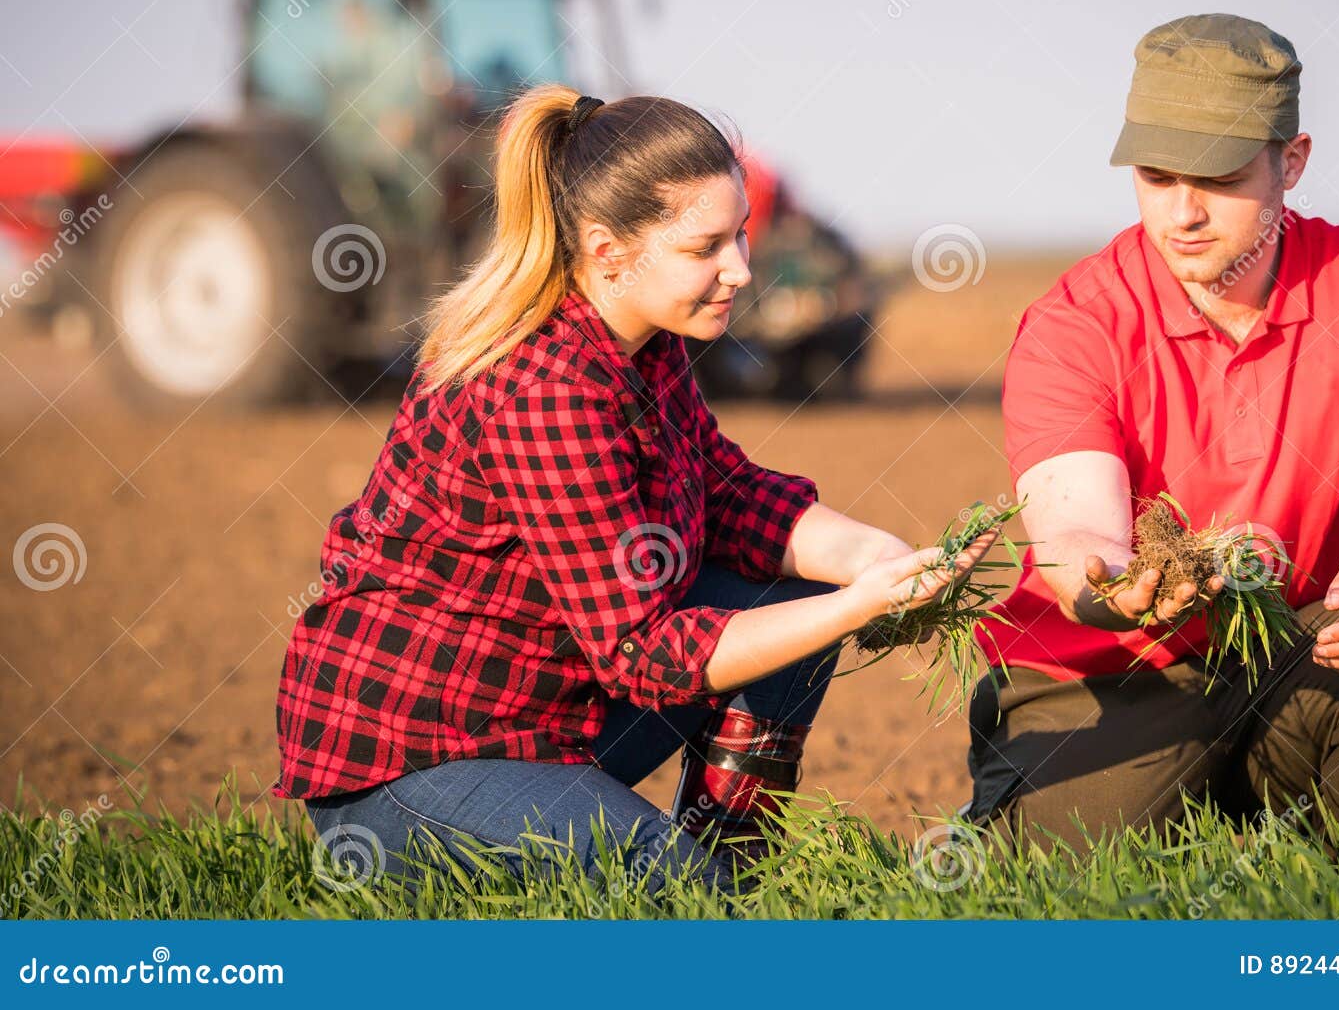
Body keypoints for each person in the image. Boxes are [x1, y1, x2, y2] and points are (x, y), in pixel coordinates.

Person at [275, 84, 997, 892]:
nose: (740, 270)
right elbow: (643, 652)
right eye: (707, 247)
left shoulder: (641, 344)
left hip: (543, 715)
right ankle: (705, 889)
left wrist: (875, 558)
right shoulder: (543, 386)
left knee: (790, 598)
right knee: (676, 894)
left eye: (742, 237)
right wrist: (854, 606)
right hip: (414, 764)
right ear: (608, 250)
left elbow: (728, 495)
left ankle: (735, 871)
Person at [966, 14, 1339, 855]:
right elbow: (1073, 529)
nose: (1182, 212)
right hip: (1107, 674)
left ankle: (1332, 872)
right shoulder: (1072, 324)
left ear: (1290, 162)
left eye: (1218, 177)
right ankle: (1170, 823)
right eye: (1155, 176)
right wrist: (1118, 581)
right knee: (1066, 874)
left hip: (1287, 654)